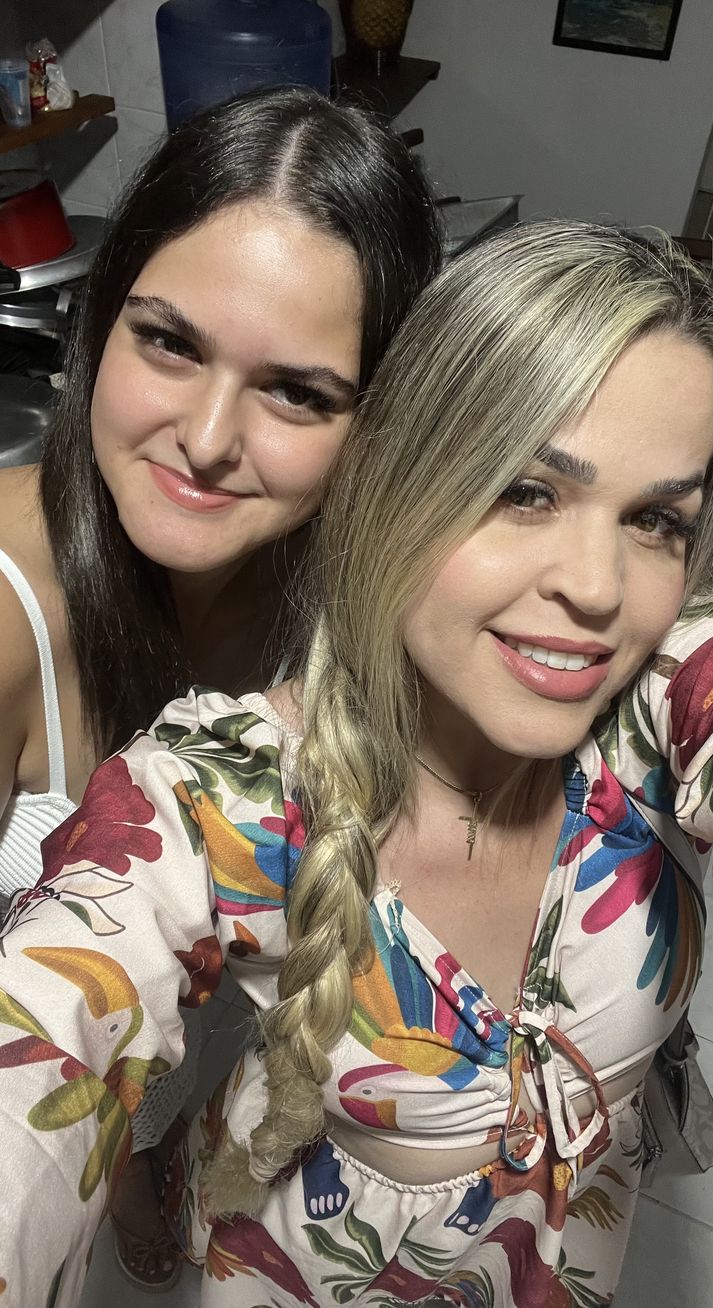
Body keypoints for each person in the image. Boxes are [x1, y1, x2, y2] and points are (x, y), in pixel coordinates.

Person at [0, 220, 713, 1308]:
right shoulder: (221, 796)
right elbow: (46, 1040)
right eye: (525, 491)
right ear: (395, 482)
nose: (598, 588)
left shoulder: (657, 694)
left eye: (654, 520)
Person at [0, 85, 441, 1291]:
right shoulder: (7, 605)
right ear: (103, 319)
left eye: (297, 392)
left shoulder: (368, 594)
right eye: (169, 342)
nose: (203, 438)